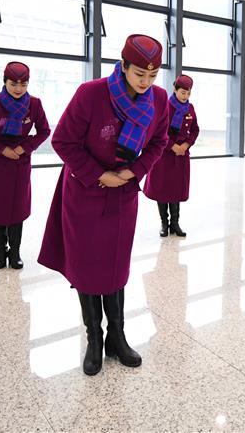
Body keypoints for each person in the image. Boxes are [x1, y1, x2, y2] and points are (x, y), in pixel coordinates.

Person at [38, 34, 169, 376]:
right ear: (123, 65)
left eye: (153, 75)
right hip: (85, 192)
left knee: (115, 266)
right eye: (140, 73)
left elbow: (159, 142)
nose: (146, 82)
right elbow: (63, 141)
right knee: (87, 267)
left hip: (123, 192)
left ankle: (117, 337)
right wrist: (99, 175)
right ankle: (93, 340)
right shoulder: (91, 93)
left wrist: (134, 171)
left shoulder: (158, 99)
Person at [0, 61, 50, 269]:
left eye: (23, 84)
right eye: (14, 83)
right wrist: (2, 149)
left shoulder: (34, 104)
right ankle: (0, 251)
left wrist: (23, 149)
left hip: (19, 164)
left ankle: (15, 251)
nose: (18, 89)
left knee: (17, 208)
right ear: (4, 82)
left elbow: (44, 131)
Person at [144, 74, 199, 237]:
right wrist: (173, 146)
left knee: (176, 189)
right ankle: (164, 223)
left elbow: (195, 129)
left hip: (181, 155)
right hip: (164, 155)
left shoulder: (190, 108)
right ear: (175, 90)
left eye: (188, 93)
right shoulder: (164, 106)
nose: (186, 96)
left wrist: (186, 144)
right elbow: (155, 131)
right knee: (162, 189)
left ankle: (175, 223)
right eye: (183, 92)